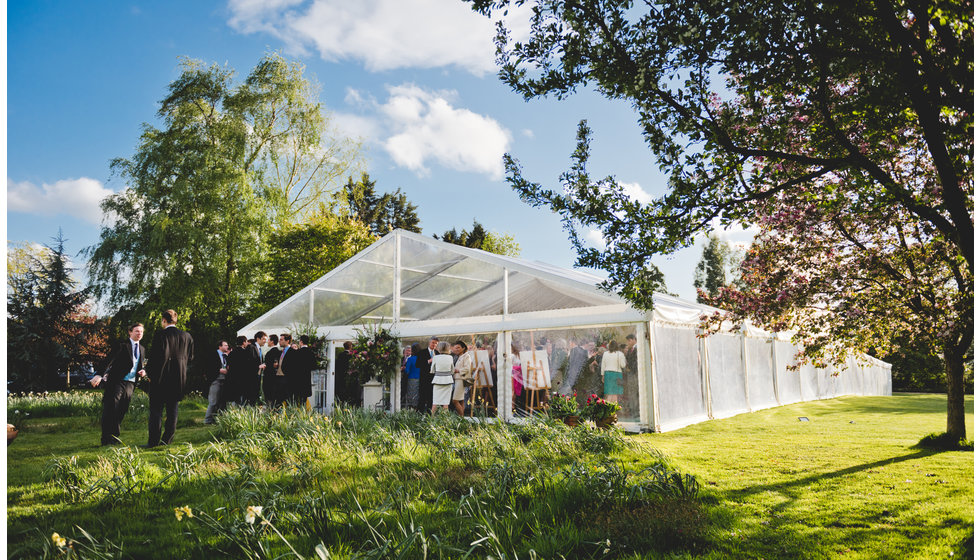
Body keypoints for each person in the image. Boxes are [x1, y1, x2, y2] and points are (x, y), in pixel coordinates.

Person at [145, 310, 194, 448]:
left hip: (160, 378)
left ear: (164, 320)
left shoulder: (160, 335)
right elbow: (190, 358)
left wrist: (149, 374)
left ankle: (153, 442)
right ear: (176, 320)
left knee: (156, 411)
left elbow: (154, 357)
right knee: (173, 411)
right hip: (178, 378)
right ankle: (167, 440)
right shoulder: (187, 336)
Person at [93, 322, 147, 445]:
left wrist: (144, 371)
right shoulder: (121, 345)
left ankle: (115, 437)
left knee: (122, 409)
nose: (139, 334)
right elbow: (109, 360)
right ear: (130, 332)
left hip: (131, 383)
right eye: (137, 331)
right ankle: (106, 439)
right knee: (111, 408)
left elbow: (142, 365)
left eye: (141, 332)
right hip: (116, 381)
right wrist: (99, 374)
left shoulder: (142, 349)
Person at [284, 334, 315, 407]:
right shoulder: (311, 353)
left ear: (301, 342)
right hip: (306, 379)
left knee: (296, 400)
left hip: (297, 380)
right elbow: (313, 366)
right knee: (303, 401)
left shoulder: (297, 353)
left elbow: (292, 367)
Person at [204, 340, 230, 424]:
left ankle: (218, 419)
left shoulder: (226, 356)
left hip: (224, 380)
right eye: (225, 345)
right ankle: (207, 420)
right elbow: (208, 367)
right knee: (213, 401)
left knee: (222, 402)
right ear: (220, 346)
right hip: (215, 380)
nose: (227, 347)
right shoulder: (213, 355)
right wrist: (219, 370)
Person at [225, 336, 251, 406]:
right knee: (242, 398)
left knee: (235, 397)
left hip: (233, 378)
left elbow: (228, 366)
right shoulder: (246, 353)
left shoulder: (231, 353)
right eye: (246, 342)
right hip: (243, 379)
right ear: (243, 342)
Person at [243, 331, 268, 405]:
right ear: (258, 339)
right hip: (251, 378)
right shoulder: (251, 347)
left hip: (257, 377)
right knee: (250, 399)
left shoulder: (259, 349)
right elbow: (246, 363)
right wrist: (258, 366)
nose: (265, 341)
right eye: (263, 339)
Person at [451, 340, 475, 415]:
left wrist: (458, 370)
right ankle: (461, 418)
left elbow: (467, 368)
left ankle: (461, 417)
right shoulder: (459, 357)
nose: (456, 349)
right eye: (456, 348)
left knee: (455, 400)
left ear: (463, 348)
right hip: (458, 379)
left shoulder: (466, 356)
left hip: (462, 380)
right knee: (461, 400)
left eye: (458, 347)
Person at [430, 341, 455, 414]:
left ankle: (432, 420)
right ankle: (445, 421)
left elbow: (432, 370)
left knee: (435, 402)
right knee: (445, 403)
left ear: (439, 349)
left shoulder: (435, 357)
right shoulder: (450, 357)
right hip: (448, 380)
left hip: (437, 380)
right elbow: (452, 370)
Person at [415, 337, 438, 413]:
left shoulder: (437, 353)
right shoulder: (422, 352)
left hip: (434, 379)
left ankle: (429, 415)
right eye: (433, 342)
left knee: (431, 398)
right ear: (429, 342)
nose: (434, 344)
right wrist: (428, 361)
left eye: (436, 343)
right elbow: (417, 364)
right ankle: (419, 414)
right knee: (422, 397)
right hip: (424, 378)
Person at [261, 334, 280, 406]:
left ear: (272, 341)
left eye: (268, 340)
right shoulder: (280, 352)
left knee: (269, 400)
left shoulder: (269, 353)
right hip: (277, 380)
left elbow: (268, 367)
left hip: (269, 380)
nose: (267, 342)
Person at [403, 343, 421, 409]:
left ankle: (412, 408)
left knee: (411, 396)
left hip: (412, 379)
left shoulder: (410, 359)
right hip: (421, 379)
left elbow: (407, 371)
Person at [510, 342, 524, 413]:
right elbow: (509, 366)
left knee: (515, 391)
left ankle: (514, 406)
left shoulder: (519, 355)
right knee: (513, 391)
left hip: (518, 375)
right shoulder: (512, 356)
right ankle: (511, 406)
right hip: (513, 375)